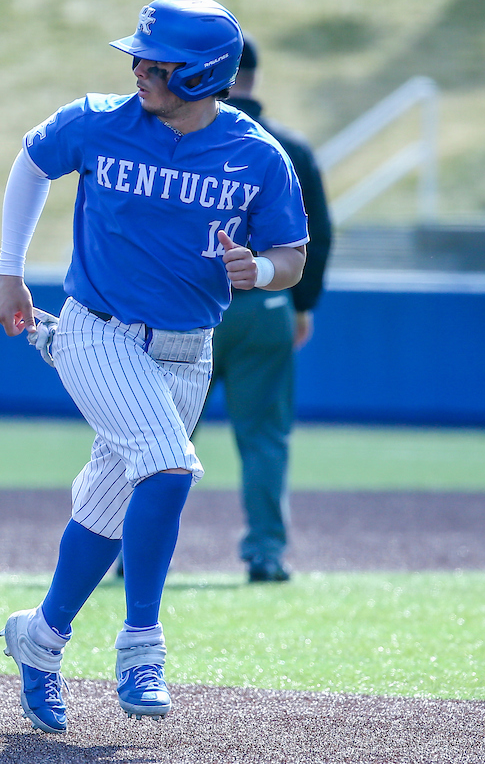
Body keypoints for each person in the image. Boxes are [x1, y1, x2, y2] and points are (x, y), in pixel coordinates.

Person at [0, 0, 309, 734]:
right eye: (137, 54)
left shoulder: (258, 155)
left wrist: (256, 271)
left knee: (107, 508)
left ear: (205, 75)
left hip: (187, 352)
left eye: (158, 61)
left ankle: (38, 639)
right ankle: (141, 648)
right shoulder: (99, 120)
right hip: (96, 332)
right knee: (168, 469)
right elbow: (32, 163)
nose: (138, 68)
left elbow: (292, 257)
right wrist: (10, 272)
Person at [212, 37, 333, 583]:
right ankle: (265, 551)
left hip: (187, 308)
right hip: (265, 305)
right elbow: (318, 235)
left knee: (156, 436)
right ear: (256, 77)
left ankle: (125, 548)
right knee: (263, 436)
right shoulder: (288, 146)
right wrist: (302, 304)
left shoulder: (186, 138)